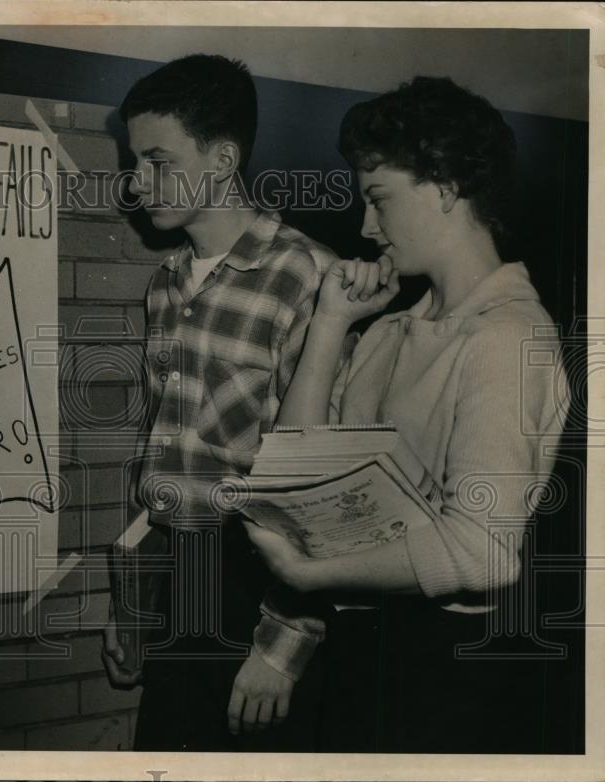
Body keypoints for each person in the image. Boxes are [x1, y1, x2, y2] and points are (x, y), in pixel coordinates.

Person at [242, 76, 570, 752]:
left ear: (446, 186)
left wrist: (310, 576)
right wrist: (331, 324)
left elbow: (483, 552)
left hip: (452, 678)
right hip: (366, 660)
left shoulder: (506, 337)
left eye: (380, 199)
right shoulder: (392, 333)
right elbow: (298, 472)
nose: (367, 226)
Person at [99, 53, 335, 751]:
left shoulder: (309, 278)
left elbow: (321, 481)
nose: (137, 184)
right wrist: (133, 606)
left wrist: (284, 643)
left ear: (223, 157)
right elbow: (159, 460)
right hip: (180, 580)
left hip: (262, 584)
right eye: (133, 161)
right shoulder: (166, 282)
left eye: (157, 161)